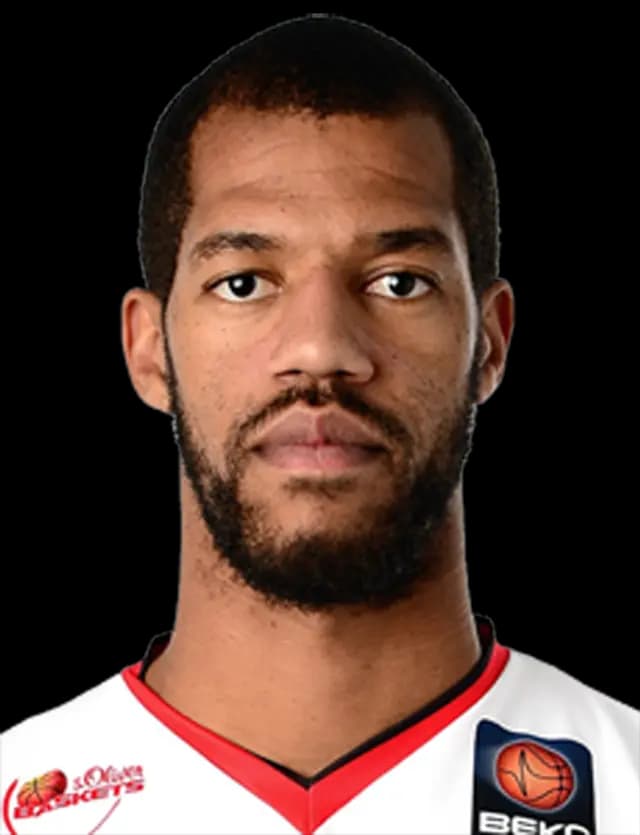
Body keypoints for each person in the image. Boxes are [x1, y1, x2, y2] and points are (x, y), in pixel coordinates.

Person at [1, 13, 637, 835]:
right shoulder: (19, 801)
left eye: (399, 281)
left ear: (490, 342)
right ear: (149, 350)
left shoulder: (628, 785)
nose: (321, 348)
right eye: (243, 282)